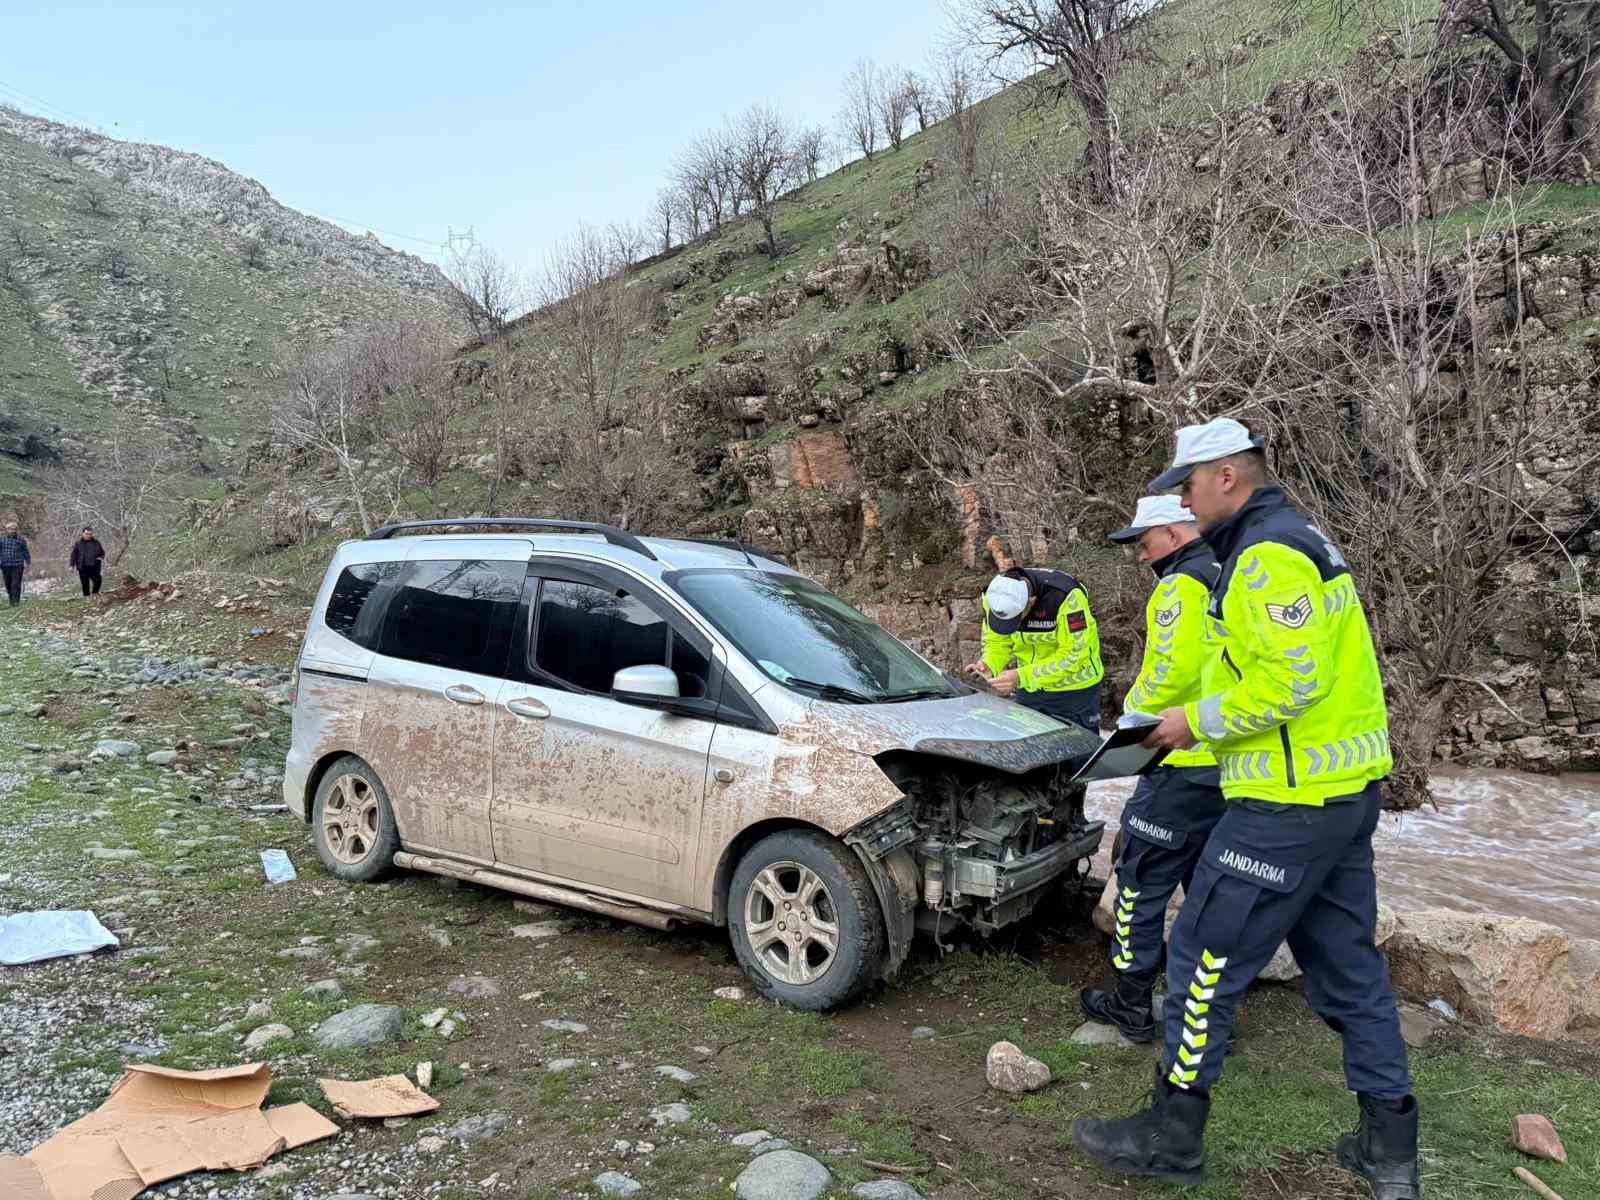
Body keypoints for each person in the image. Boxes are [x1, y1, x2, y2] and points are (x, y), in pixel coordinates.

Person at [1072, 418, 1417, 1199]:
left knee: (1200, 960)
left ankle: (1171, 1136)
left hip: (1284, 804)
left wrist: (1190, 723)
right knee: (1350, 970)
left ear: (1227, 475)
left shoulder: (1265, 558)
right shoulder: (1302, 540)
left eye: (1187, 486)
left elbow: (1289, 685)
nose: (1183, 505)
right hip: (1343, 795)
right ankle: (1390, 1145)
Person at [1079, 495, 1225, 1042]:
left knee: (1140, 883)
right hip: (1228, 764)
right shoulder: (1230, 571)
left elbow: (1170, 671)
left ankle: (1132, 1005)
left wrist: (1127, 724)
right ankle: (1206, 1016)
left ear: (1171, 533)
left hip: (1178, 760)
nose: (1141, 557)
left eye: (1144, 543)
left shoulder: (1181, 585)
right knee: (1210, 892)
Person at [966, 565, 1103, 730]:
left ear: (1031, 601)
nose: (1013, 626)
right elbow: (997, 642)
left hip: (1074, 692)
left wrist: (1021, 676)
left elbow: (1074, 654)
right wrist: (989, 664)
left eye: (1016, 619)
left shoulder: (1066, 596)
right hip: (1028, 689)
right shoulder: (994, 596)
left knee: (1080, 752)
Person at [0, 520, 31, 608]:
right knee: (8, 584)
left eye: (15, 529)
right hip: (5, 565)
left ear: (17, 530)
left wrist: (28, 562)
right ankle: (11, 601)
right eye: (11, 529)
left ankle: (16, 603)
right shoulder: (1, 539)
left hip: (18, 565)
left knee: (16, 584)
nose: (13, 531)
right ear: (7, 530)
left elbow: (25, 551)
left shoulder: (21, 539)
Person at [70, 526, 106, 597]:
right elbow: (73, 555)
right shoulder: (78, 544)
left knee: (98, 580)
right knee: (85, 583)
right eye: (87, 534)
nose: (89, 536)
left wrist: (101, 558)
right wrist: (71, 565)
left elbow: (102, 552)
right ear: (83, 534)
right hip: (83, 567)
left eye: (90, 534)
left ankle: (95, 593)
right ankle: (86, 597)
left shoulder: (96, 543)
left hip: (94, 566)